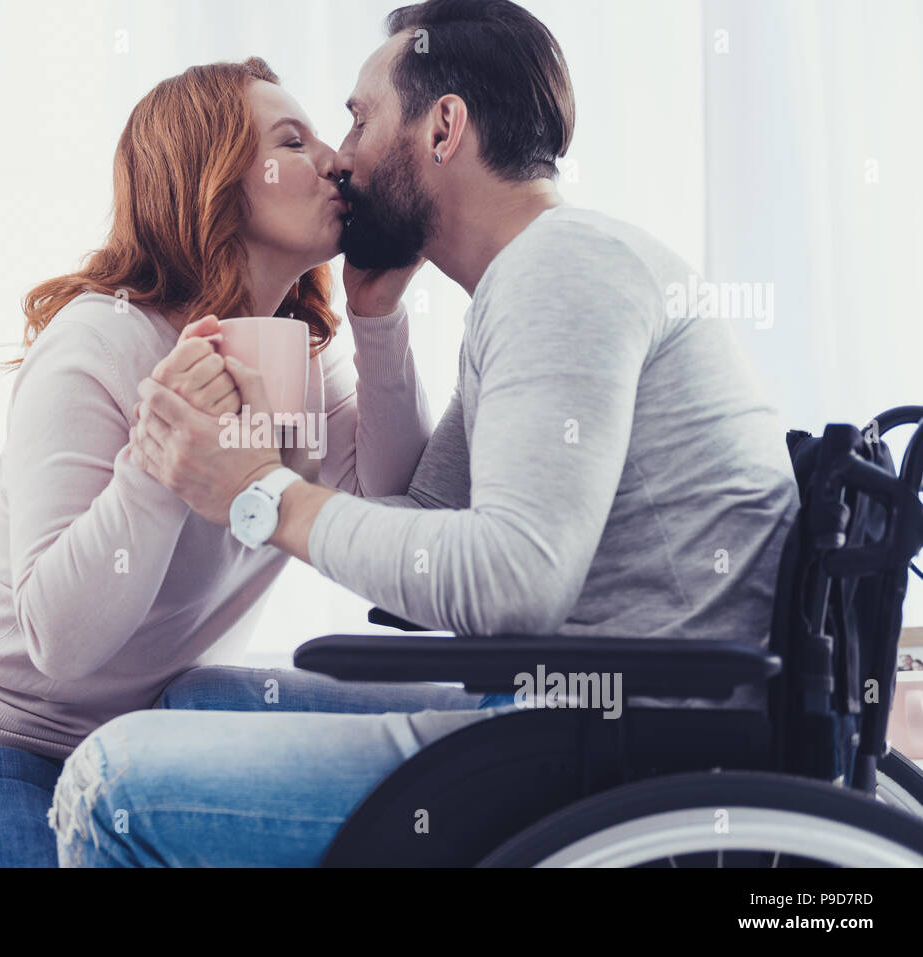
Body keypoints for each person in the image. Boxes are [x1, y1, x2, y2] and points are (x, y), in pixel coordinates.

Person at [51, 0, 801, 867]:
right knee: (193, 699)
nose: (343, 159)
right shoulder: (538, 276)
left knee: (109, 781)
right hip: (587, 708)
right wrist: (376, 316)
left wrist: (260, 492)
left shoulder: (561, 273)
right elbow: (419, 523)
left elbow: (516, 580)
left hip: (620, 747)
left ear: (443, 126)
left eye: (360, 119)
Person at [0, 54, 439, 866]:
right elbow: (57, 640)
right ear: (213, 178)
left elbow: (399, 514)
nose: (338, 160)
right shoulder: (98, 342)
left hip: (142, 744)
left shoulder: (310, 356)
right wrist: (160, 466)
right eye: (293, 141)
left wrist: (377, 318)